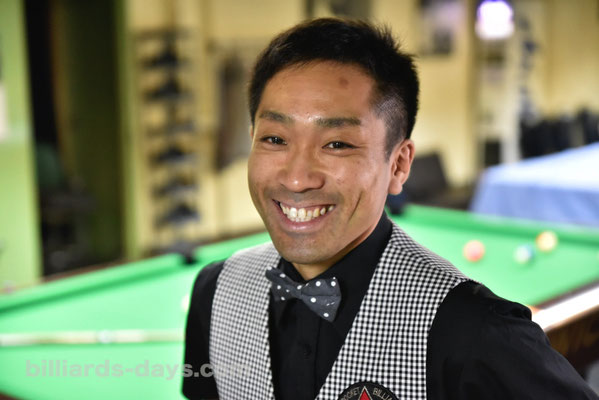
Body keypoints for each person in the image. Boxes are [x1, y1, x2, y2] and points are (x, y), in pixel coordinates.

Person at [182, 18, 598, 400]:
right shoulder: (214, 292)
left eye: (337, 144)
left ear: (398, 165)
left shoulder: (479, 334)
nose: (296, 178)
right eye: (275, 139)